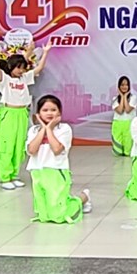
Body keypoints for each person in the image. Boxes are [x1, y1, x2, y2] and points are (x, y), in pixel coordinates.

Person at [0, 41, 50, 191]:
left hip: (22, 113)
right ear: (11, 67)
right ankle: (4, 176)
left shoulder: (24, 78)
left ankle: (14, 175)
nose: (21, 71)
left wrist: (45, 52)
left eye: (23, 68)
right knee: (7, 145)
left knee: (19, 146)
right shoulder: (4, 79)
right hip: (9, 113)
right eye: (18, 67)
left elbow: (39, 68)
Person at [26, 95, 91, 224]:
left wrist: (49, 129)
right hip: (37, 171)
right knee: (44, 216)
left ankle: (84, 197)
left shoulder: (64, 129)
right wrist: (43, 129)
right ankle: (69, 202)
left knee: (58, 216)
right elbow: (32, 150)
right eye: (45, 110)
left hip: (56, 171)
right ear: (38, 113)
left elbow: (57, 149)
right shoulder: (33, 130)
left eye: (53, 110)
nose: (49, 113)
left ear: (59, 112)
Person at [111, 76, 137, 157]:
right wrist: (122, 97)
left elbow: (128, 110)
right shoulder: (115, 99)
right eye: (122, 85)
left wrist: (125, 96)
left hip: (129, 123)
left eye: (126, 85)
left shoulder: (133, 98)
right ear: (119, 86)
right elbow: (120, 111)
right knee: (117, 152)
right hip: (117, 124)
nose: (124, 87)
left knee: (128, 152)